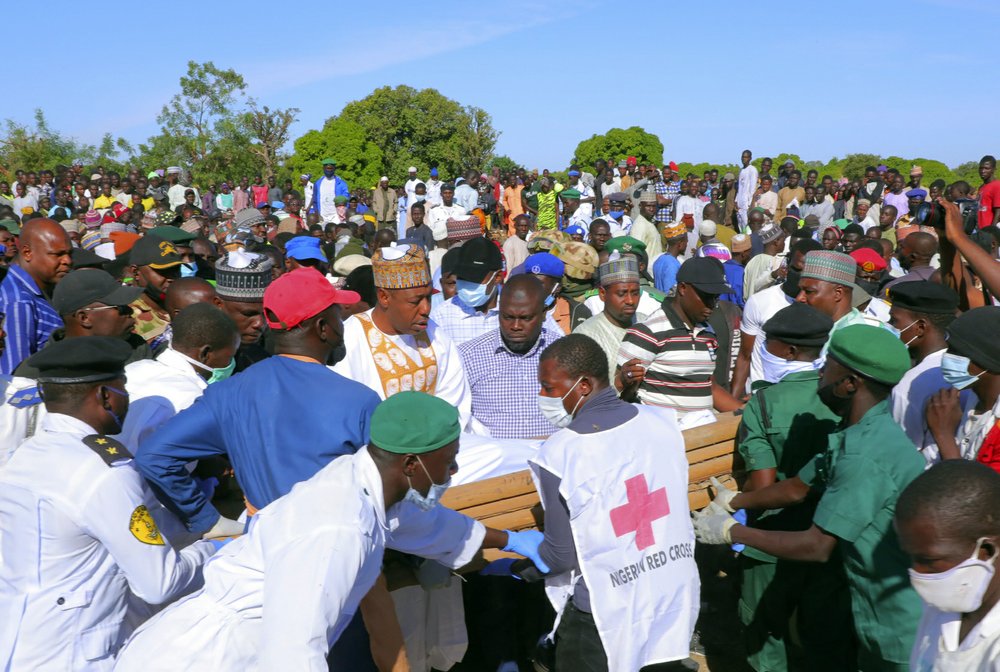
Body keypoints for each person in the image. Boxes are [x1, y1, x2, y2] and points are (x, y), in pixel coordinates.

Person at [117, 392, 548, 671]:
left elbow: (422, 523)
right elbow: (294, 652)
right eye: (449, 460)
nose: (454, 471)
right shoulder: (338, 530)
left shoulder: (365, 480)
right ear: (411, 464)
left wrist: (508, 540)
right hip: (207, 658)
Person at [695, 324, 925, 671]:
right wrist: (734, 501)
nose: (819, 372)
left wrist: (732, 532)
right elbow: (796, 489)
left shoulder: (863, 455)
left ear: (849, 383)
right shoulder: (856, 431)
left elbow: (817, 546)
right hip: (876, 607)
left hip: (896, 625)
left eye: (827, 365)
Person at [0, 336, 218, 669]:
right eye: (123, 390)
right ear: (105, 396)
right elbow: (159, 583)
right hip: (72, 655)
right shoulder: (104, 471)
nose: (127, 401)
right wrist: (215, 549)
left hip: (16, 643)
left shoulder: (22, 458)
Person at [136, 267, 377, 535]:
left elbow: (154, 455)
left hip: (261, 545)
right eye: (338, 314)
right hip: (337, 548)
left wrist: (206, 520)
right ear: (323, 327)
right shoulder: (360, 401)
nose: (342, 322)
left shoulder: (228, 393)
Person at [513, 334, 699, 670]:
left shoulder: (561, 452)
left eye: (550, 388)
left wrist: (514, 568)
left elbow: (560, 557)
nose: (542, 397)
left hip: (605, 612)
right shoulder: (661, 422)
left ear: (583, 386)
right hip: (670, 590)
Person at [734, 302, 853, 671]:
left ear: (787, 351)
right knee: (821, 635)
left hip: (772, 543)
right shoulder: (844, 398)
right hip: (830, 537)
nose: (763, 352)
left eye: (768, 345)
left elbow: (763, 484)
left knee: (766, 634)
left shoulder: (764, 403)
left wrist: (733, 504)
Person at [334, 243, 472, 427]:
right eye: (415, 301)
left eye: (428, 297)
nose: (426, 309)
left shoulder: (437, 335)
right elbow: (345, 416)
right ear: (384, 297)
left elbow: (455, 406)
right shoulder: (350, 339)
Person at [896, 460, 1000, 670]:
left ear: (986, 551)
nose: (916, 573)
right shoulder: (943, 605)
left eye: (928, 561)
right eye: (912, 558)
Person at [618, 257, 743, 417]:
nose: (712, 305)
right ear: (683, 288)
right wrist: (624, 380)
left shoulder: (708, 333)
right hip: (663, 436)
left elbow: (709, 385)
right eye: (706, 297)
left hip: (701, 434)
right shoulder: (648, 332)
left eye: (716, 298)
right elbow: (619, 389)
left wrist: (745, 413)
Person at [117, 303, 239, 452]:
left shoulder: (133, 369)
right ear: (205, 353)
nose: (231, 363)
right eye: (230, 355)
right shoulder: (197, 399)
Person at [459, 274, 559, 438]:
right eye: (508, 317)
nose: (516, 326)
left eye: (525, 318)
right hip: (495, 460)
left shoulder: (564, 353)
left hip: (551, 459)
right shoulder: (468, 356)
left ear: (543, 314)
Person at [12, 269, 149, 378]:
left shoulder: (136, 348)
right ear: (84, 318)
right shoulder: (36, 373)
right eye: (120, 308)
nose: (131, 311)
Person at [886, 282, 964, 464]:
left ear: (920, 327)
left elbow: (903, 454)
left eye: (894, 321)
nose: (889, 326)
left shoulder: (908, 386)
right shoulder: (965, 367)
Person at [925, 307, 1000, 469]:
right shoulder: (968, 397)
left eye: (956, 351)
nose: (946, 356)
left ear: (986, 360)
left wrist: (944, 435)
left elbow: (982, 493)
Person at [0, 218, 72, 374]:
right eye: (57, 254)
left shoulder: (37, 290)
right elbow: (15, 379)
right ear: (27, 253)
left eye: (69, 253)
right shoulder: (18, 301)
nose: (67, 261)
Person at [574, 251, 641, 384]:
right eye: (622, 293)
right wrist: (619, 382)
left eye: (635, 293)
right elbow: (580, 391)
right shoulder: (585, 336)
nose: (630, 301)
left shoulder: (648, 324)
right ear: (603, 294)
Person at [430, 237, 503, 345]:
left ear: (497, 277)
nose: (467, 282)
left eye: (475, 277)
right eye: (462, 276)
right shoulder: (441, 317)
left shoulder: (514, 314)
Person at [213, 249, 274, 373]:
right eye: (248, 314)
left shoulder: (262, 361)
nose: (260, 323)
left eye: (265, 313)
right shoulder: (191, 361)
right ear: (218, 304)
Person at [742, 223, 786, 302]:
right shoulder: (776, 262)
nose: (785, 243)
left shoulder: (752, 261)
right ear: (776, 241)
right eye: (784, 240)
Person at [653, 222, 688, 293]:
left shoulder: (660, 259)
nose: (687, 244)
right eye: (686, 241)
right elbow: (671, 294)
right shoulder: (672, 265)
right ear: (680, 244)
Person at [312, 158, 350, 223]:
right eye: (327, 168)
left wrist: (342, 214)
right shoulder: (317, 183)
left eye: (331, 168)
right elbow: (315, 200)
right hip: (322, 216)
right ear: (323, 168)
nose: (329, 170)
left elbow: (346, 200)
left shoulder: (341, 183)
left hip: (336, 216)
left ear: (334, 169)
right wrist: (317, 213)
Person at [720, 233, 751, 308]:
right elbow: (741, 301)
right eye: (749, 251)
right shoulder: (741, 273)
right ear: (743, 254)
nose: (750, 254)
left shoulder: (721, 267)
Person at [630, 191, 664, 260]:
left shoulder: (648, 222)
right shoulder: (640, 225)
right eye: (648, 206)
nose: (651, 209)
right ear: (640, 206)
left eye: (654, 206)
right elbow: (637, 251)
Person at [736, 149, 758, 231]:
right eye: (742, 157)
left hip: (747, 205)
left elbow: (752, 188)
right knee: (741, 229)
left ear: (750, 158)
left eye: (746, 157)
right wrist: (736, 201)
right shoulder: (741, 170)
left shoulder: (752, 170)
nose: (744, 159)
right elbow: (739, 187)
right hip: (740, 204)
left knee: (747, 229)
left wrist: (750, 205)